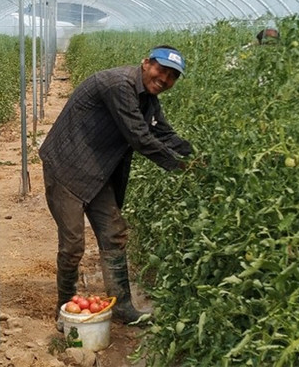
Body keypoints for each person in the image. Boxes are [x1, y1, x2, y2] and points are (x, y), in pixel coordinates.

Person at [39, 45, 193, 328]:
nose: (164, 79)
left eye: (172, 76)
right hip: (66, 166)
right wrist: (183, 167)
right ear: (146, 63)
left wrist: (197, 156)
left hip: (96, 171)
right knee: (73, 244)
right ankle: (65, 309)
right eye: (161, 70)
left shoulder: (148, 98)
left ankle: (121, 306)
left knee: (114, 233)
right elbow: (140, 137)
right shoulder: (119, 85)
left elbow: (163, 133)